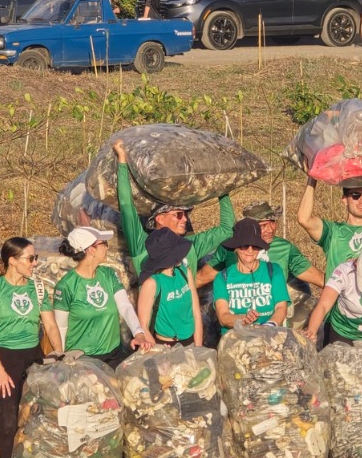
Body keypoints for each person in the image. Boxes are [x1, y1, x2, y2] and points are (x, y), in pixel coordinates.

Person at [0, 237, 62, 458]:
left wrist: (59, 355)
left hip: (32, 356)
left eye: (35, 257)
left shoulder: (37, 287)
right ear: (13, 261)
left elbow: (50, 325)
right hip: (4, 358)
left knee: (35, 417)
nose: (35, 262)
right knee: (7, 421)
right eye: (31, 258)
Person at [112, 139, 235, 278]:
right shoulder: (142, 245)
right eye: (178, 214)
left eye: (186, 214)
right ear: (160, 218)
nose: (185, 219)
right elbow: (127, 206)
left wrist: (222, 189)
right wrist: (122, 161)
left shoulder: (191, 245)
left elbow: (226, 229)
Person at [54, 227, 151, 369]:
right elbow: (61, 328)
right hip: (81, 360)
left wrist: (139, 333)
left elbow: (125, 307)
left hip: (113, 354)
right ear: (91, 250)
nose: (107, 247)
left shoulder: (109, 274)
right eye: (104, 243)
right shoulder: (66, 286)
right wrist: (62, 361)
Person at [196, 202, 324, 289]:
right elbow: (202, 278)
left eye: (272, 223)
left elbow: (318, 278)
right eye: (263, 226)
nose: (270, 230)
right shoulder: (229, 248)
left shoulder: (285, 248)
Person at [213, 219, 291, 332]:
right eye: (244, 246)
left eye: (255, 246)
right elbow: (223, 317)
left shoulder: (273, 270)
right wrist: (243, 319)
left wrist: (268, 326)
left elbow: (281, 307)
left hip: (268, 336)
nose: (250, 250)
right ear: (235, 247)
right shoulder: (222, 278)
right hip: (235, 340)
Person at [137, 228, 203, 347]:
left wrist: (198, 348)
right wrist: (158, 352)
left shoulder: (184, 273)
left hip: (190, 341)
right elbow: (143, 325)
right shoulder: (152, 283)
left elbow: (196, 312)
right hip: (166, 345)